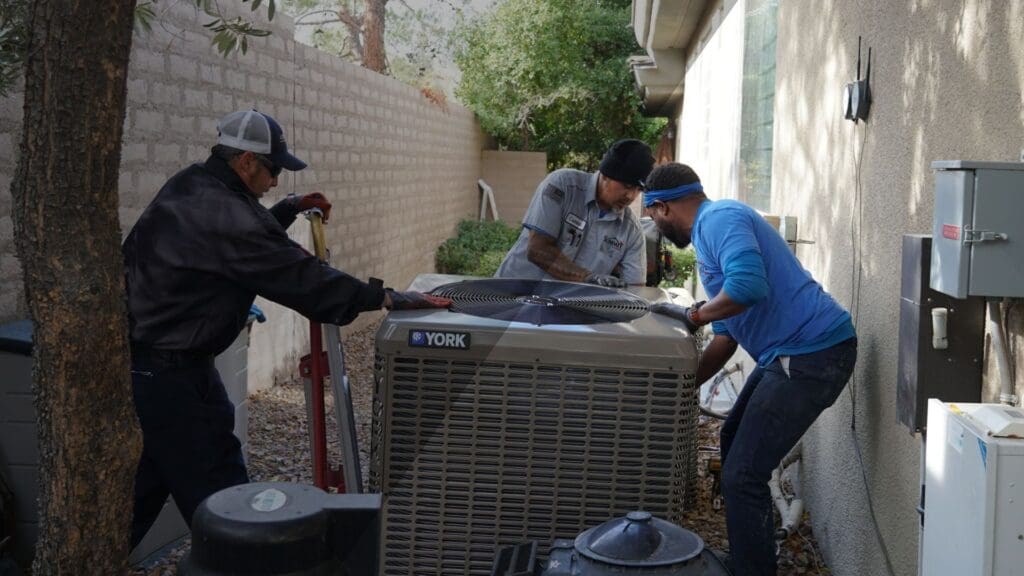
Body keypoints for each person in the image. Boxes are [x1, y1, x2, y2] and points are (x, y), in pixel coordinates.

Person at [122, 109, 450, 548]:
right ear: (245, 163)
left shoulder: (192, 184)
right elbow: (302, 279)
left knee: (134, 495)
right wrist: (390, 298)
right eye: (272, 169)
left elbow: (232, 245)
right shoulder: (229, 216)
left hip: (152, 371)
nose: (275, 181)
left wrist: (289, 209)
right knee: (225, 506)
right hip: (173, 380)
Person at [644, 162, 856, 576]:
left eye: (651, 215)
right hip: (793, 353)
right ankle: (748, 560)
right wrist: (682, 386)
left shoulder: (720, 218)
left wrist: (693, 314)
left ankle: (751, 570)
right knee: (733, 438)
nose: (654, 224)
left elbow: (747, 287)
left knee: (743, 474)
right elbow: (726, 337)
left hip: (813, 351)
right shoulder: (711, 239)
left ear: (663, 207)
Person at [494, 139, 655, 288]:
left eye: (639, 189)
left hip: (567, 313)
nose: (631, 196)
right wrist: (588, 278)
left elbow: (635, 290)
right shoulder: (562, 186)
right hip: (513, 298)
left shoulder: (631, 230)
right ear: (605, 175)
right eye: (627, 186)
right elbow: (538, 250)